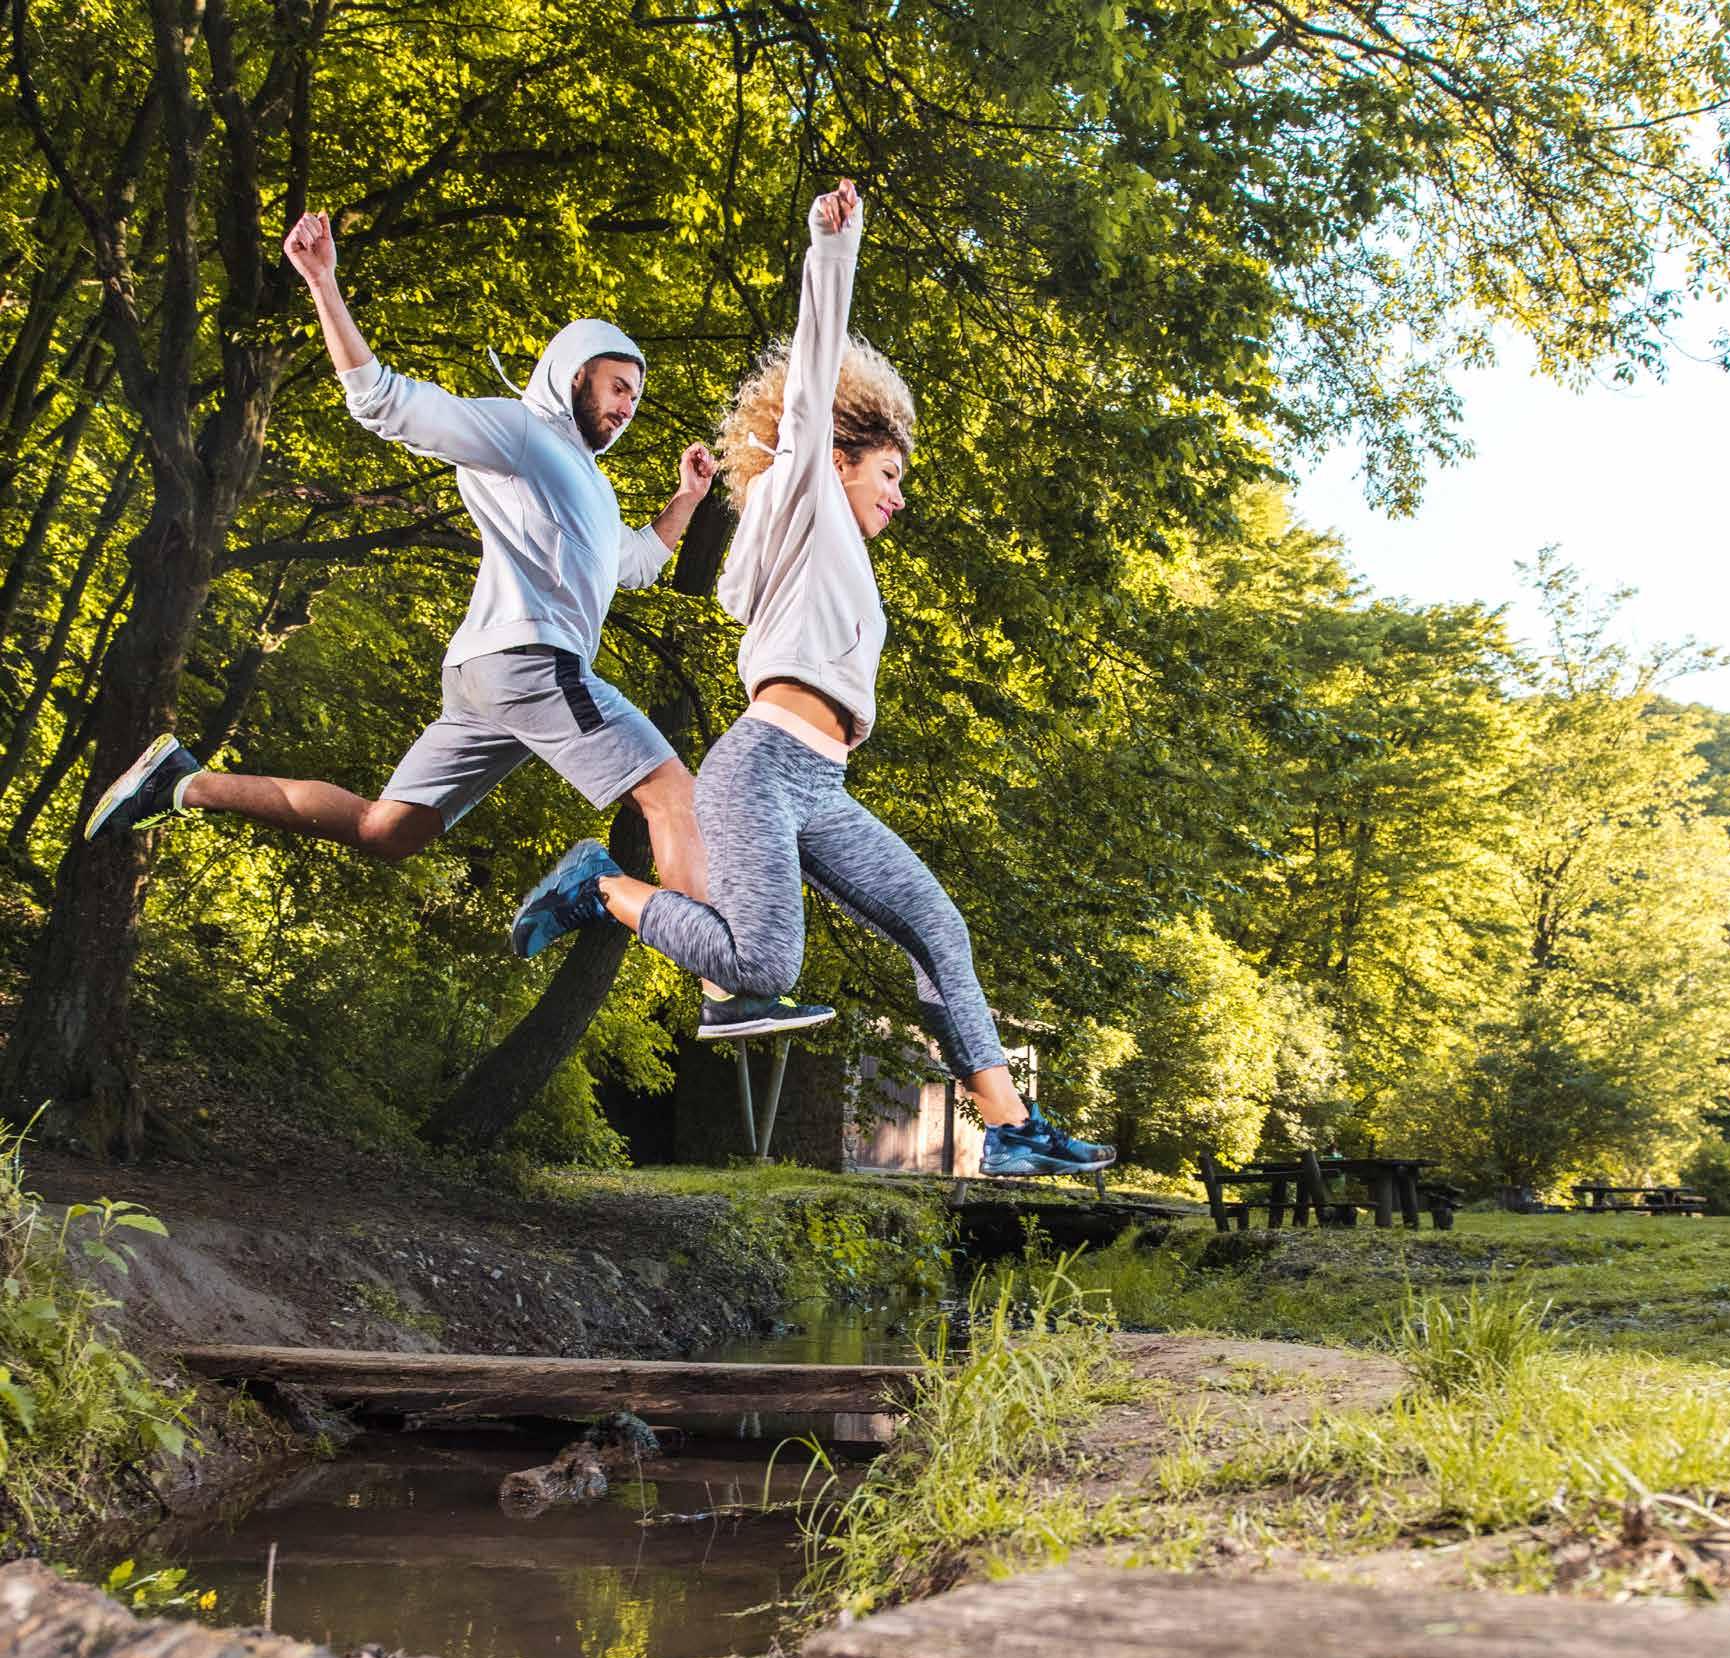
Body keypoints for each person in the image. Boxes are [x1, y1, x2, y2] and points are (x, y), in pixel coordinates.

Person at [84, 209, 830, 1042]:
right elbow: (381, 401)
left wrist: (686, 500)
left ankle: (179, 782)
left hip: (486, 679)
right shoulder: (521, 433)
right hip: (531, 663)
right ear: (573, 374)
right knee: (672, 793)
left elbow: (630, 564)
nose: (627, 406)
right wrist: (323, 282)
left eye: (635, 397)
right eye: (618, 386)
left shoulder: (582, 482)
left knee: (384, 829)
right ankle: (725, 985)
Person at [513, 180, 1114, 1177]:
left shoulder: (822, 560)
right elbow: (811, 379)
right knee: (763, 966)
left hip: (821, 785)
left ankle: (1009, 1129)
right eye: (889, 475)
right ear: (835, 462)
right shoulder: (807, 493)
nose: (899, 497)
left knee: (936, 924)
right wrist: (832, 251)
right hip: (758, 768)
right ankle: (600, 886)